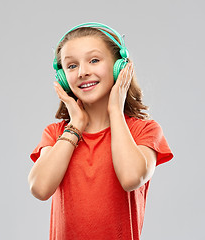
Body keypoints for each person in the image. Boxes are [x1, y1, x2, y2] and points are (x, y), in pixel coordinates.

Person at [28, 22, 173, 240]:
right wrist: (76, 125)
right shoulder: (57, 134)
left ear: (119, 67)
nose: (83, 72)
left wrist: (115, 109)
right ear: (62, 78)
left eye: (94, 60)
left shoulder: (144, 131)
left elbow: (131, 177)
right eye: (71, 66)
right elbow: (40, 188)